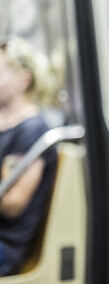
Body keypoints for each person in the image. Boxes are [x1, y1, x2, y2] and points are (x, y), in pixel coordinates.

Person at [0, 37, 60, 276]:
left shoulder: (33, 130)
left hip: (7, 246)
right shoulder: (5, 128)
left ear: (23, 80)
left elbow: (13, 204)